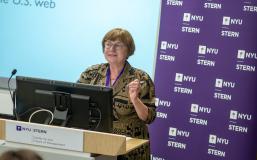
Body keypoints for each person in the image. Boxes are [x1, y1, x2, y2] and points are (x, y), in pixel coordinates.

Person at [78, 28, 156, 160]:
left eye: (118, 45)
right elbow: (77, 103)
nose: (111, 49)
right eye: (108, 44)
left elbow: (149, 118)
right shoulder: (92, 73)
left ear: (128, 51)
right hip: (98, 146)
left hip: (130, 151)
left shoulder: (141, 78)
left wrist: (135, 99)